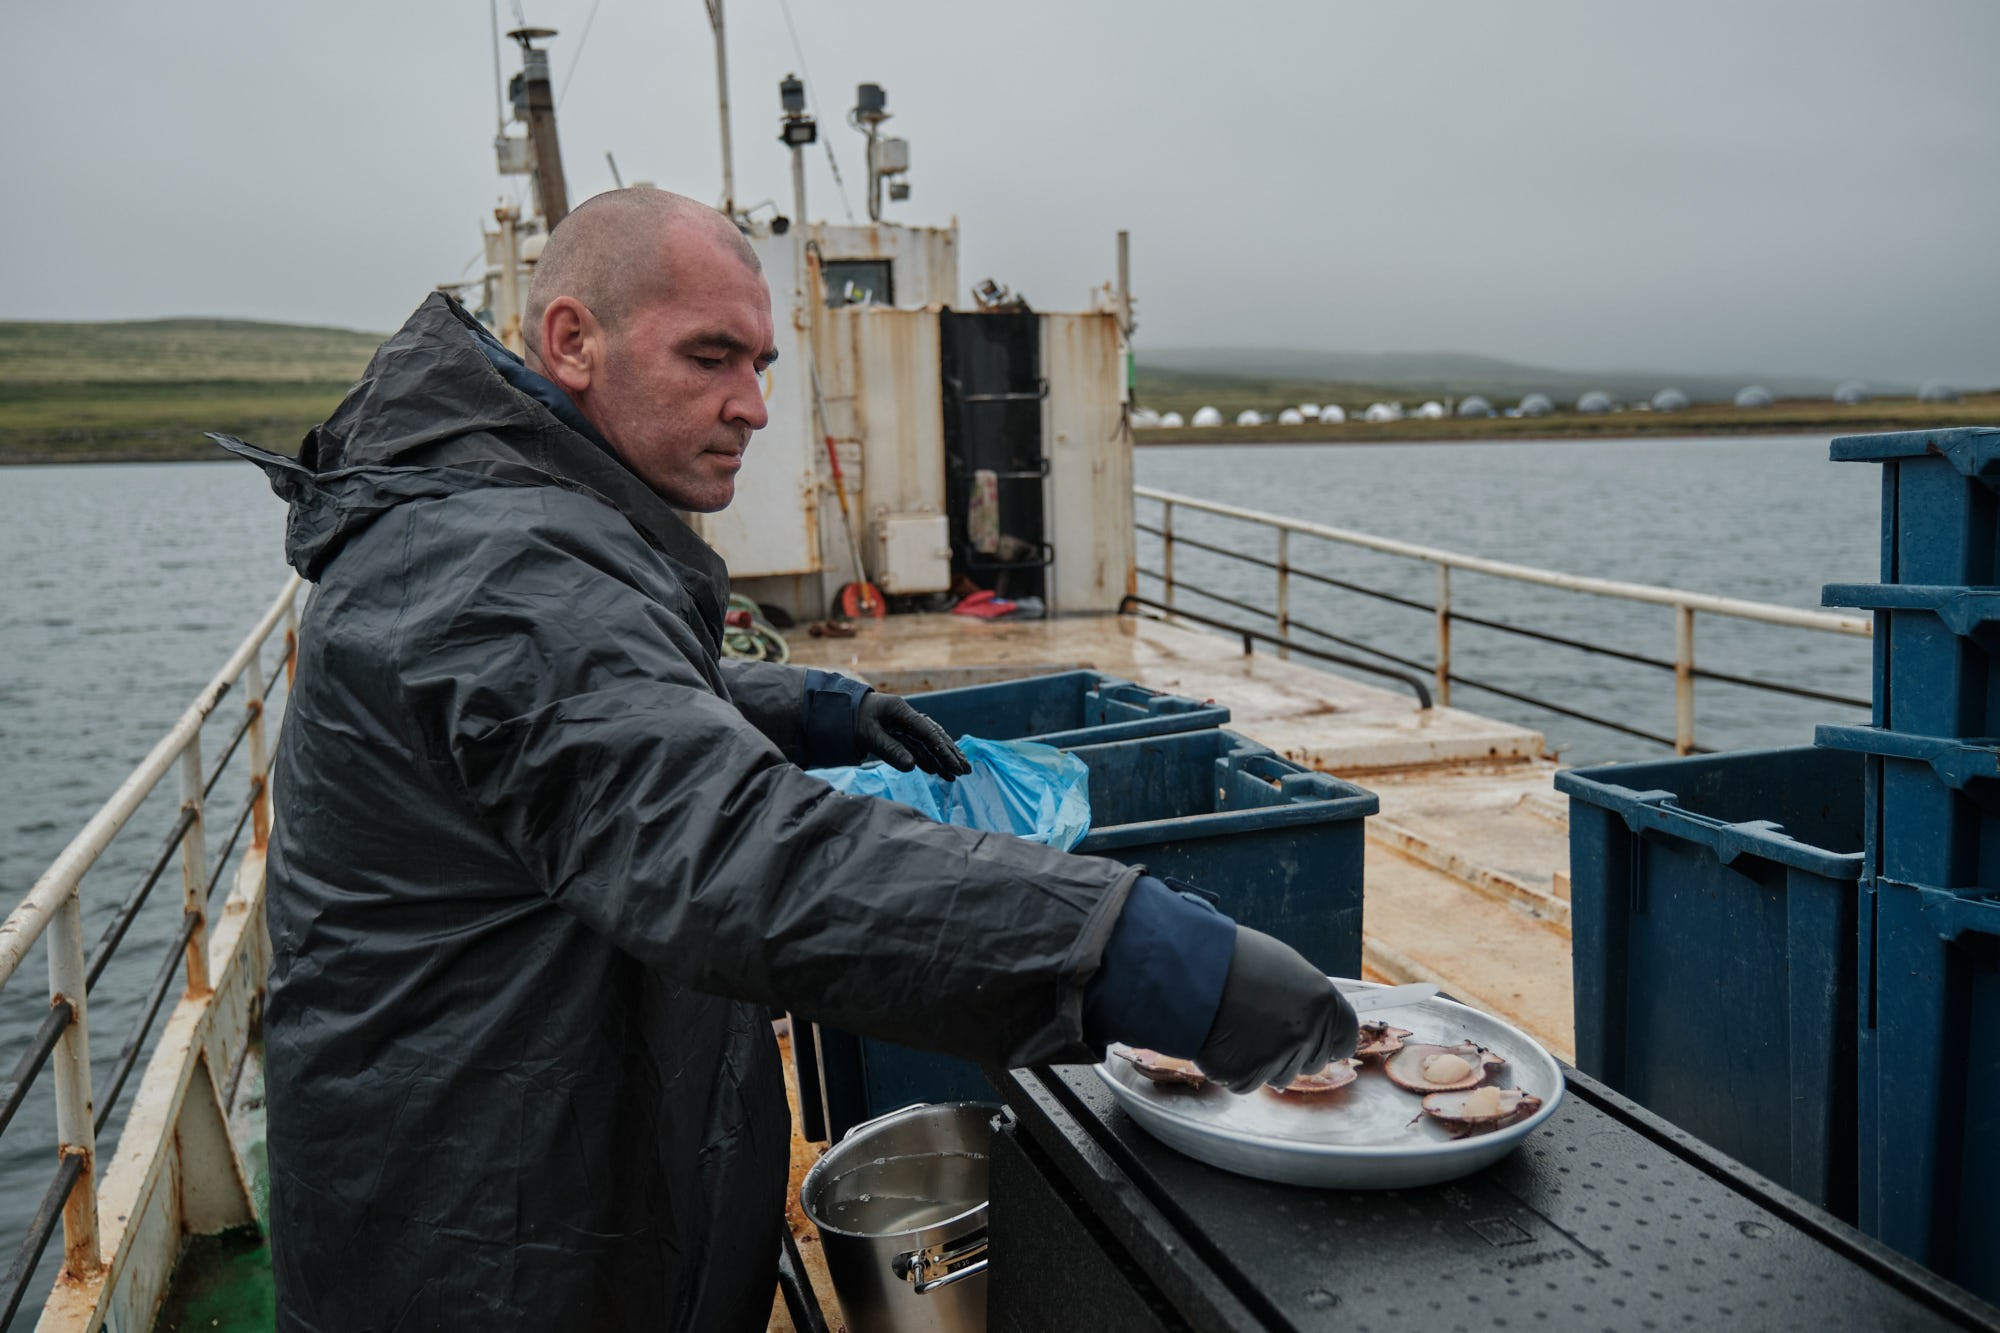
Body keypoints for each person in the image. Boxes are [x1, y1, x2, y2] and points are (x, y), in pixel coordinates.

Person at [218, 187, 1356, 1332]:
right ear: (572, 341)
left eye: (759, 364)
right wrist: (1136, 953)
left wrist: (810, 706)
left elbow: (592, 705)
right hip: (478, 1247)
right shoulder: (489, 566)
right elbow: (727, 850)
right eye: (709, 357)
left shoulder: (498, 514)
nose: (753, 407)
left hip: (540, 1178)